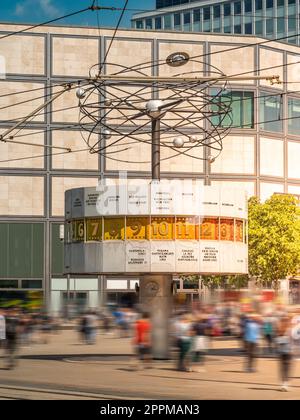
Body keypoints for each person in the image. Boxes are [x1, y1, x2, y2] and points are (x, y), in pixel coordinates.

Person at [276, 316, 293, 392]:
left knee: (283, 368)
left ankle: (283, 384)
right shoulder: (290, 330)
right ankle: (285, 384)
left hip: (281, 352)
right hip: (288, 351)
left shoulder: (280, 330)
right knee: (287, 368)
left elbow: (278, 342)